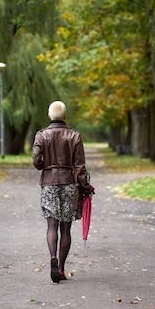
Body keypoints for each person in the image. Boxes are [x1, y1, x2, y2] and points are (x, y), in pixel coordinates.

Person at [32, 101, 94, 283]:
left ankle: (53, 256)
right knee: (65, 228)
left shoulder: (41, 135)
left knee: (52, 226)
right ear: (65, 116)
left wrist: (47, 167)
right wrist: (86, 187)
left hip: (50, 183)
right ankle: (61, 269)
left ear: (49, 116)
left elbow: (36, 160)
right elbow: (80, 167)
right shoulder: (74, 136)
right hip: (69, 184)